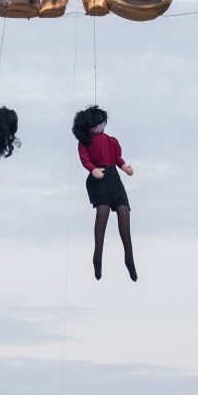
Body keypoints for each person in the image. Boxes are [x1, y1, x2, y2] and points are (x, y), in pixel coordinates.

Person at [72, 105, 136, 281]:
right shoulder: (85, 142)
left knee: (124, 213)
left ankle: (129, 259)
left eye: (103, 122)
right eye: (99, 122)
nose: (102, 125)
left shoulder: (110, 140)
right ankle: (97, 258)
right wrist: (93, 170)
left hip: (114, 179)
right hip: (99, 179)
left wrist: (124, 167)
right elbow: (85, 160)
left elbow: (117, 158)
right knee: (103, 213)